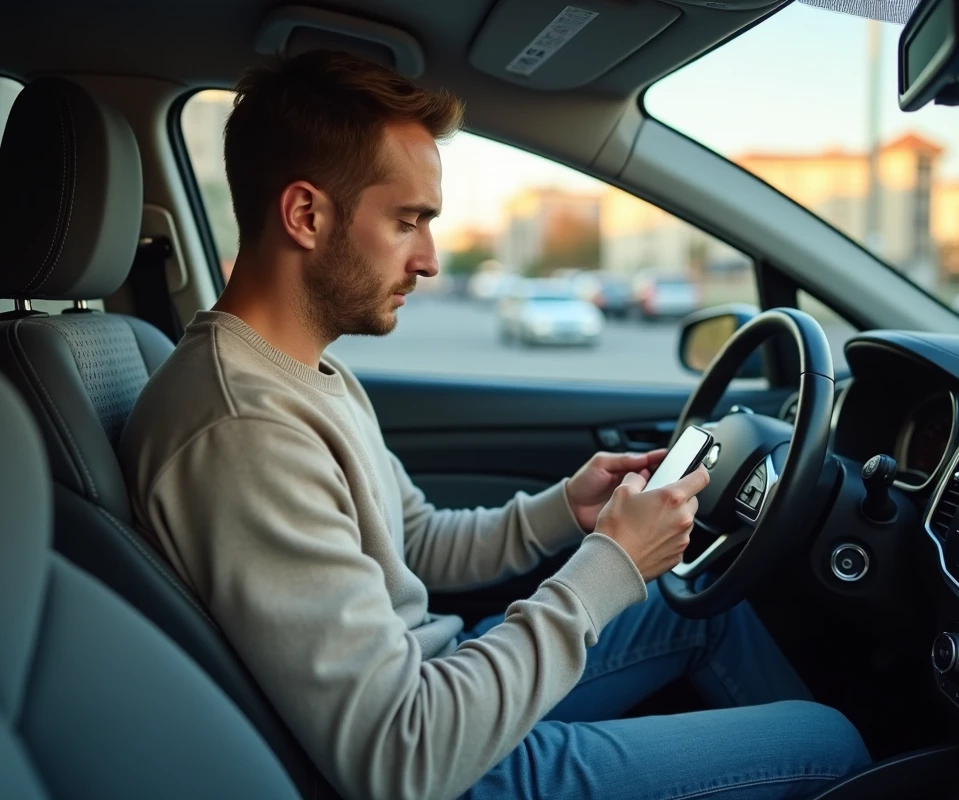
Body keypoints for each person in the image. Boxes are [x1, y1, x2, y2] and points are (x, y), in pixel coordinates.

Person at [119, 50, 869, 800]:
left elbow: (410, 543)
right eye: (408, 222)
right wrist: (613, 561)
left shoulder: (305, 371)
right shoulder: (243, 429)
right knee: (827, 743)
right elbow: (400, 755)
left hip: (442, 690)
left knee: (697, 608)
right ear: (306, 215)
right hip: (443, 759)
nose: (432, 260)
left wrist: (566, 514)